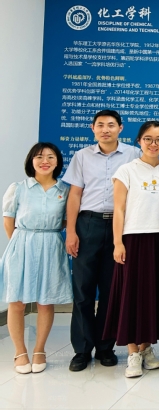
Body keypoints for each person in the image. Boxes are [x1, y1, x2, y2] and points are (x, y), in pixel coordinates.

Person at [63, 109, 140, 372]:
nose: (105, 129)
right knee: (83, 290)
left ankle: (106, 347)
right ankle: (82, 350)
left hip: (121, 227)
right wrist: (71, 231)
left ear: (120, 128)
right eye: (100, 125)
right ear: (93, 128)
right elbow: (75, 195)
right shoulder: (81, 156)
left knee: (111, 290)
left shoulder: (134, 154)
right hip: (88, 224)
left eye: (111, 125)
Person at [103, 121, 159, 378]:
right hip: (133, 239)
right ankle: (132, 353)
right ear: (139, 141)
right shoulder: (126, 170)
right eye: (148, 139)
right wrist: (118, 242)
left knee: (155, 295)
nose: (153, 144)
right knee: (131, 296)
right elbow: (119, 209)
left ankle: (146, 347)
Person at [2, 143, 72, 374]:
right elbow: (9, 221)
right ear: (31, 161)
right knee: (16, 301)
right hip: (21, 244)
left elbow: (67, 220)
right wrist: (22, 244)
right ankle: (20, 351)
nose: (45, 161)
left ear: (57, 162)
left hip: (51, 245)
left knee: (46, 300)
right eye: (39, 157)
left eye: (51, 157)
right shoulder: (18, 188)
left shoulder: (65, 190)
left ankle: (39, 349)